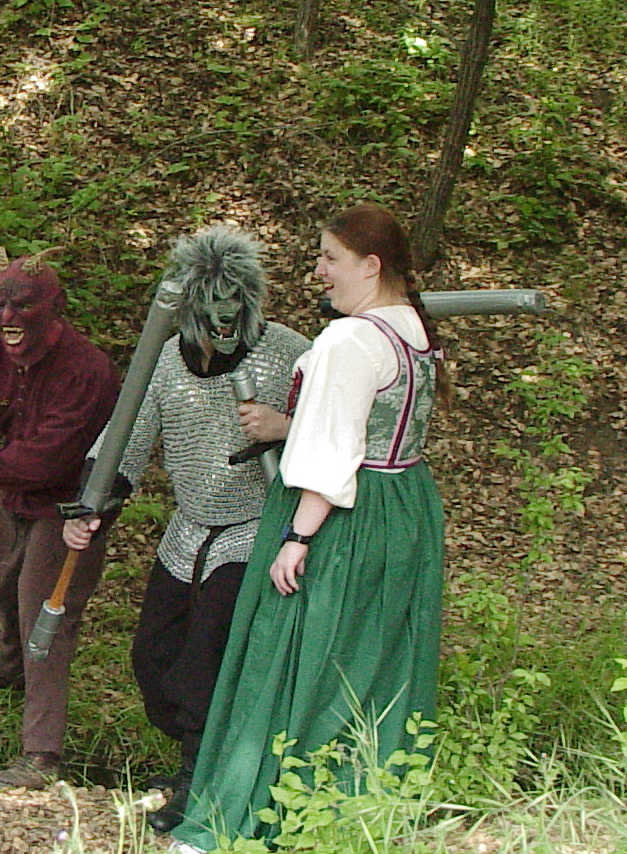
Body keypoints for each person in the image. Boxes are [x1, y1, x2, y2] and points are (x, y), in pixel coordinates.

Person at [170, 205, 449, 853]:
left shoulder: (350, 341)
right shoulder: (412, 328)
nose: (319, 270)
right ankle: (356, 809)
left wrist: (297, 537)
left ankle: (255, 816)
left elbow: (331, 451)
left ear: (370, 265)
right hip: (404, 504)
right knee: (374, 655)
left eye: (330, 257)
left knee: (296, 650)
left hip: (347, 516)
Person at [63, 225, 309, 834]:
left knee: (206, 658)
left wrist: (285, 427)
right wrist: (94, 502)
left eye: (234, 306)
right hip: (188, 527)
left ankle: (202, 782)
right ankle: (200, 755)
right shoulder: (167, 359)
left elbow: (335, 423)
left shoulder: (287, 352)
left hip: (255, 525)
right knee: (154, 656)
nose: (223, 321)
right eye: (212, 306)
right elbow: (127, 436)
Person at [0, 251, 120, 788]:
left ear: (54, 308)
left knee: (46, 617)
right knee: (0, 581)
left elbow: (45, 461)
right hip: (14, 496)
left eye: (23, 307)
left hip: (71, 509)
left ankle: (41, 753)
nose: (8, 318)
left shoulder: (87, 370)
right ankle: (13, 666)